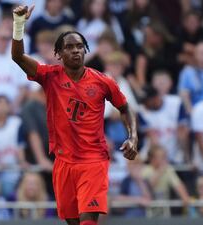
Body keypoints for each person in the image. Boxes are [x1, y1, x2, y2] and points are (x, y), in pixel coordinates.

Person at [11, 5, 138, 225]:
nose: (76, 50)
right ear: (58, 54)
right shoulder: (49, 76)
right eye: (69, 47)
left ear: (86, 50)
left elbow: (125, 108)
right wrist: (19, 24)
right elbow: (18, 56)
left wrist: (133, 136)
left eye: (80, 46)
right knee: (73, 221)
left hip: (93, 160)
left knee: (88, 220)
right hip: (63, 162)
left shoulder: (103, 81)